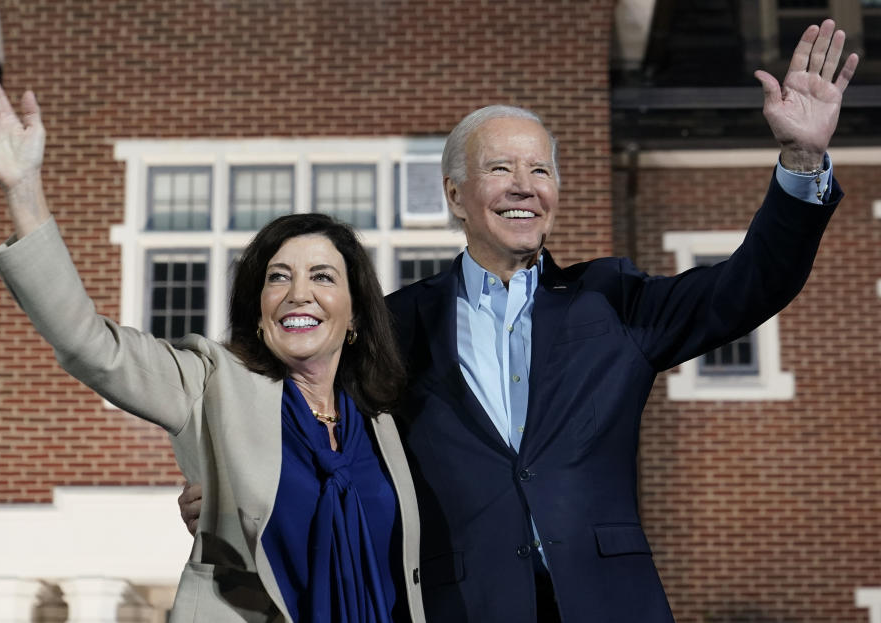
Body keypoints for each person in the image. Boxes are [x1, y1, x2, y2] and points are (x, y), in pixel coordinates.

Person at [179, 20, 857, 622]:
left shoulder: (612, 297)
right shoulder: (396, 323)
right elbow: (321, 436)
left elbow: (748, 287)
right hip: (464, 603)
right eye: (500, 167)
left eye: (541, 170)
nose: (525, 185)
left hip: (609, 600)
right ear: (456, 194)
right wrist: (237, 489)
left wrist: (801, 159)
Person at [0, 68, 427, 623]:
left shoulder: (389, 421)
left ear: (355, 316)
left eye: (323, 277)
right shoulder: (210, 382)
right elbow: (89, 345)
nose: (299, 294)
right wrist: (23, 188)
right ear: (258, 309)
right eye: (278, 278)